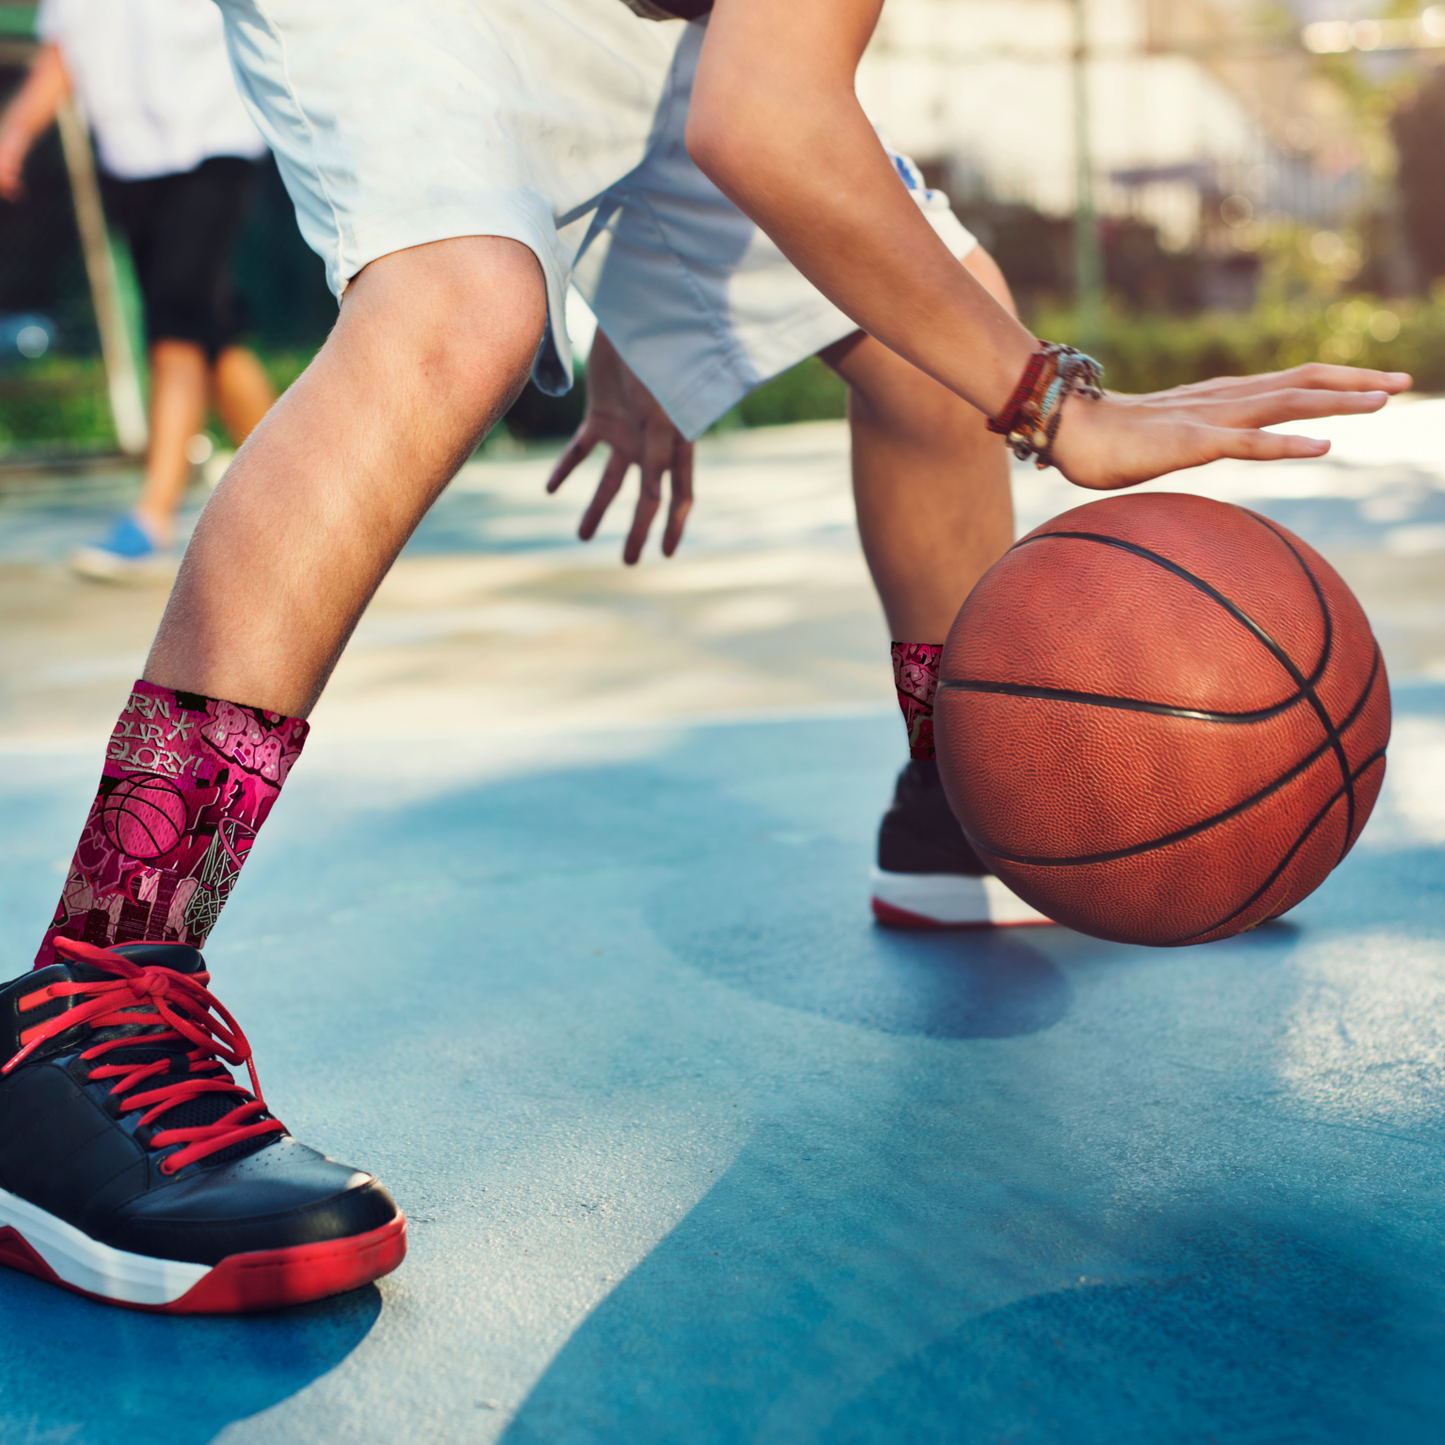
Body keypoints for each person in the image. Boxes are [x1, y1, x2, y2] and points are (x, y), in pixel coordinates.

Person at [0, 0, 1409, 1315]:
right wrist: (1050, 400)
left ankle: (970, 778)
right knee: (460, 303)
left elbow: (766, 100)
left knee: (932, 329)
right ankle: (94, 992)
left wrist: (663, 303)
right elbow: (769, 126)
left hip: (641, 36)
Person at [0, 0, 277, 581]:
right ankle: (301, 488)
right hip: (131, 159)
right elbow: (62, 54)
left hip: (218, 143)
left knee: (175, 319)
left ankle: (152, 515)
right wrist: (15, 132)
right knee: (213, 333)